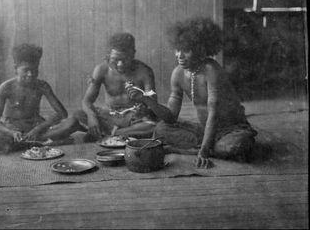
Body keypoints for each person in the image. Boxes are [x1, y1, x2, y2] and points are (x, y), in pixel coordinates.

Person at [126, 18, 257, 168]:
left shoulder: (211, 71)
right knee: (161, 129)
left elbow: (213, 115)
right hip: (204, 130)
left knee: (233, 146)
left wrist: (204, 152)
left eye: (186, 50)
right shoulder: (178, 74)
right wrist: (148, 101)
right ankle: (206, 147)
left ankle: (193, 149)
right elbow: (170, 117)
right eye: (177, 49)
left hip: (232, 130)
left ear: (201, 49)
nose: (179, 55)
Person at [0, 44, 81, 153]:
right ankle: (38, 142)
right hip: (14, 130)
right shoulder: (6, 87)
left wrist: (38, 129)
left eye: (35, 70)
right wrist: (11, 132)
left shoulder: (42, 86)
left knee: (73, 123)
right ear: (15, 69)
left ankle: (30, 142)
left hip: (37, 128)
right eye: (26, 70)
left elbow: (62, 113)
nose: (30, 74)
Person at [73, 32, 158, 139]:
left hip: (133, 119)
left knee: (152, 126)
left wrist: (145, 107)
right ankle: (116, 132)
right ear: (108, 56)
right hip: (108, 116)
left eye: (125, 59)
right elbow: (87, 101)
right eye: (115, 59)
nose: (120, 64)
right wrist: (91, 116)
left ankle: (112, 133)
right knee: (77, 115)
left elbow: (153, 103)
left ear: (133, 54)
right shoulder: (101, 70)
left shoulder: (145, 72)